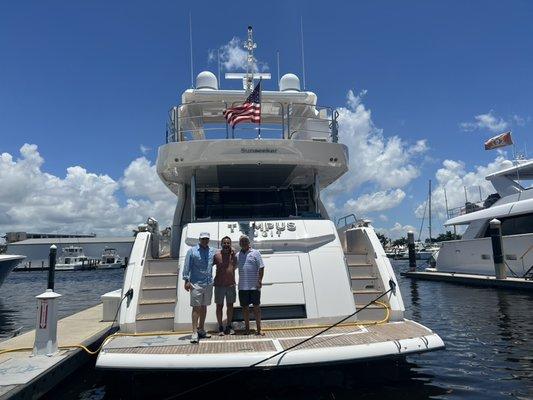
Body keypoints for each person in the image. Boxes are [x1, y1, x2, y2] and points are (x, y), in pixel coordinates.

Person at [182, 232, 216, 343]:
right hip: (196, 283)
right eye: (203, 239)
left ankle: (201, 329)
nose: (205, 240)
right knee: (196, 307)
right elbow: (187, 266)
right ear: (199, 239)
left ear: (209, 240)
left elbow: (223, 253)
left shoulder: (212, 250)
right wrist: (186, 281)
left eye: (206, 239)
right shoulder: (192, 251)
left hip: (208, 283)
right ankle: (194, 332)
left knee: (204, 306)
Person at [237, 235, 265, 335]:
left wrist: (260, 280)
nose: (243, 243)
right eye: (242, 241)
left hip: (254, 286)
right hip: (242, 287)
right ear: (239, 243)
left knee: (256, 308)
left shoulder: (256, 253)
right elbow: (232, 267)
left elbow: (261, 267)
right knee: (245, 309)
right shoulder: (237, 255)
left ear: (249, 242)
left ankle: (259, 329)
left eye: (245, 241)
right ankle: (247, 329)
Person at [213, 236, 238, 336]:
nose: (226, 245)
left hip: (230, 285)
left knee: (230, 306)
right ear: (221, 244)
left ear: (230, 244)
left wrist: (234, 251)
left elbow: (235, 265)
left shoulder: (234, 255)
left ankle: (228, 326)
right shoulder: (216, 256)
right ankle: (220, 327)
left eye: (228, 243)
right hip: (219, 285)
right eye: (224, 243)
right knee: (219, 306)